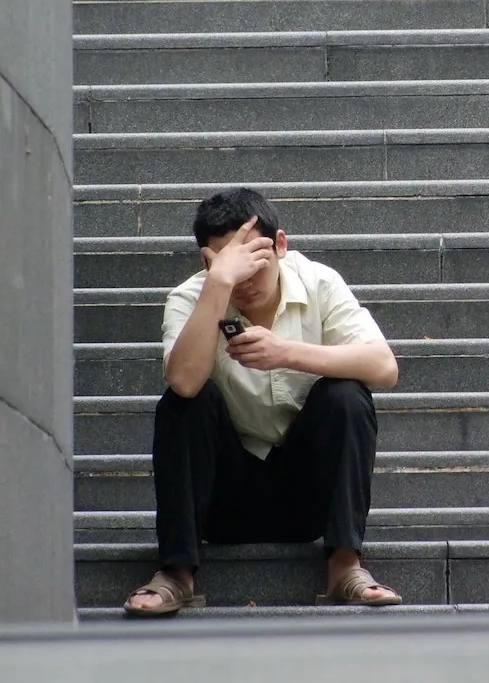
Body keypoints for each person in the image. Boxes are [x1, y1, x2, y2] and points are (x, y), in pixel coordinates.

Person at [123, 188, 402, 616]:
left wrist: (286, 353)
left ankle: (344, 564)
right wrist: (218, 285)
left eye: (257, 262)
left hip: (305, 495)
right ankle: (177, 571)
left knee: (347, 394)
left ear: (281, 246)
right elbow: (181, 381)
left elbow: (384, 366)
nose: (247, 280)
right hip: (221, 499)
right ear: (207, 262)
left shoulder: (320, 283)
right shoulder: (189, 296)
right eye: (233, 267)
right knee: (185, 401)